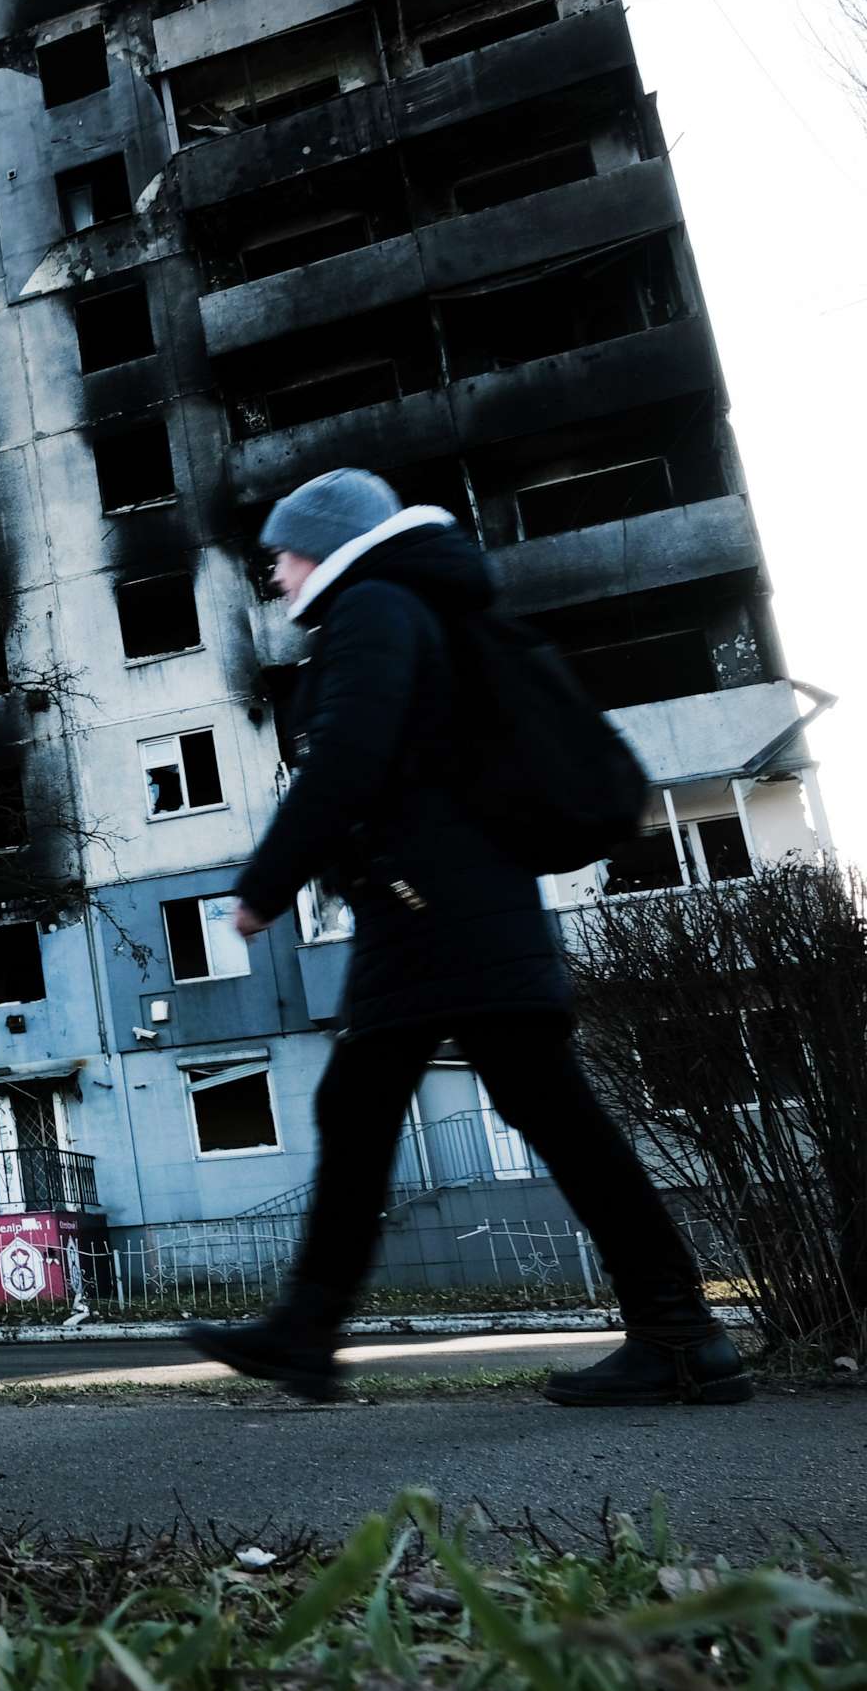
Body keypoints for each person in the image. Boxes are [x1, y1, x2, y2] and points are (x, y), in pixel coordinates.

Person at [185, 468, 751, 1408]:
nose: (276, 576)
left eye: (282, 555)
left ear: (323, 547)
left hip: (433, 914)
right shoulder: (416, 607)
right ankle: (676, 1332)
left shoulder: (374, 608)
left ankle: (678, 1332)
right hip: (453, 907)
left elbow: (351, 760)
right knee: (424, 1110)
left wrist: (267, 883)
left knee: (490, 1112)